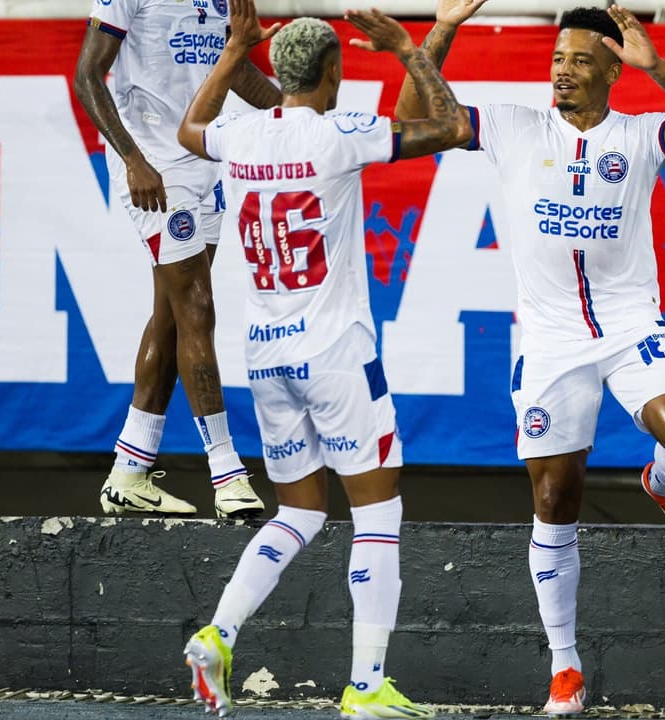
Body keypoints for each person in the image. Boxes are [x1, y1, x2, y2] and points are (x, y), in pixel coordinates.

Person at [395, 2, 665, 713]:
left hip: (630, 328)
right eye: (557, 60)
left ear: (613, 68)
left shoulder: (639, 137)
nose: (564, 72)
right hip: (550, 343)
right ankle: (566, 668)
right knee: (554, 503)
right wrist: (442, 30)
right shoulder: (516, 127)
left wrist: (658, 66)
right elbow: (416, 121)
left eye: (581, 60)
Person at [173, 0, 474, 717]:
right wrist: (413, 46)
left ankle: (221, 629)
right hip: (335, 351)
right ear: (334, 72)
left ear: (278, 70)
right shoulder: (341, 133)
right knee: (378, 511)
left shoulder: (242, 134)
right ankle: (366, 686)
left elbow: (189, 130)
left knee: (300, 512)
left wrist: (233, 48)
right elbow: (452, 125)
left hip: (267, 355)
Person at [75, 0, 279, 518]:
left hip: (204, 159)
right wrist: (132, 159)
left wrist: (295, 115)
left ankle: (129, 470)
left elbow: (231, 72)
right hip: (151, 163)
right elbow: (87, 75)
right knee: (197, 305)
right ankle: (227, 472)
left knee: (171, 314)